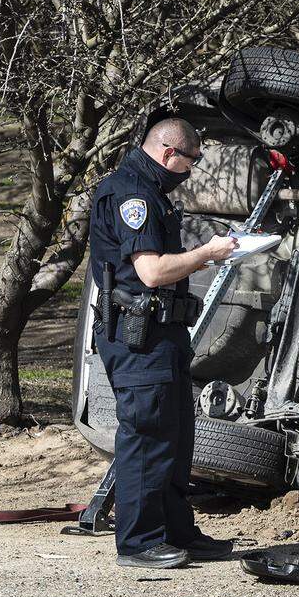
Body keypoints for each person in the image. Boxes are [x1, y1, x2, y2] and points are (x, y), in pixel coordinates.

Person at [88, 118, 238, 569]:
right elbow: (151, 272)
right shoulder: (131, 194)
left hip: (162, 335)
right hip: (138, 339)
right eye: (191, 161)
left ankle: (177, 533)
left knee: (175, 437)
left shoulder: (150, 192)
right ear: (170, 152)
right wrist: (207, 255)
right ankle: (138, 543)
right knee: (147, 437)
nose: (191, 170)